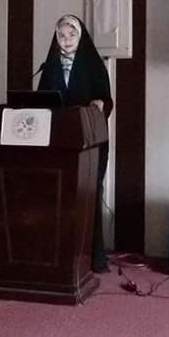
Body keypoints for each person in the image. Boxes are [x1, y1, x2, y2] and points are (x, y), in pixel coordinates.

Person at [37, 14, 113, 273]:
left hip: (89, 142)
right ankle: (59, 257)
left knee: (88, 194)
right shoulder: (49, 66)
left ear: (80, 37)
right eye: (61, 35)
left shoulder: (93, 64)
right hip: (58, 141)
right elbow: (42, 100)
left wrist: (100, 104)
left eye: (71, 35)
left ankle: (93, 257)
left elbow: (106, 100)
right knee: (58, 195)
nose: (66, 40)